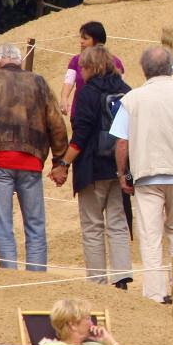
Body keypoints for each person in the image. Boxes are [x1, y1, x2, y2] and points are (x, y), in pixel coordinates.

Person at [110, 45, 173, 304]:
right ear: (171, 67)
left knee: (150, 236)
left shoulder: (132, 98)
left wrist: (122, 174)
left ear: (144, 70)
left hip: (147, 175)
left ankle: (154, 293)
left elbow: (121, 142)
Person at [0, 44, 69, 272]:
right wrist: (59, 160)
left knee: (3, 225)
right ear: (19, 61)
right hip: (31, 161)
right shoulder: (38, 82)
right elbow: (56, 123)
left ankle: (10, 274)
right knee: (35, 225)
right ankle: (37, 276)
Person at [52, 45, 133, 287]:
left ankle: (97, 282)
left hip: (92, 167)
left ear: (90, 67)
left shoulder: (88, 93)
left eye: (83, 68)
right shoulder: (126, 91)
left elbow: (81, 136)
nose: (81, 72)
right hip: (120, 167)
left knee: (92, 226)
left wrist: (64, 163)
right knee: (118, 223)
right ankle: (121, 277)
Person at [61, 21, 125, 115]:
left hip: (106, 114)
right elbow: (68, 82)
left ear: (97, 41)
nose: (81, 41)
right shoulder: (76, 60)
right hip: (80, 112)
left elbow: (121, 88)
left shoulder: (115, 62)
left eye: (85, 38)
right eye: (81, 37)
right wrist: (64, 98)